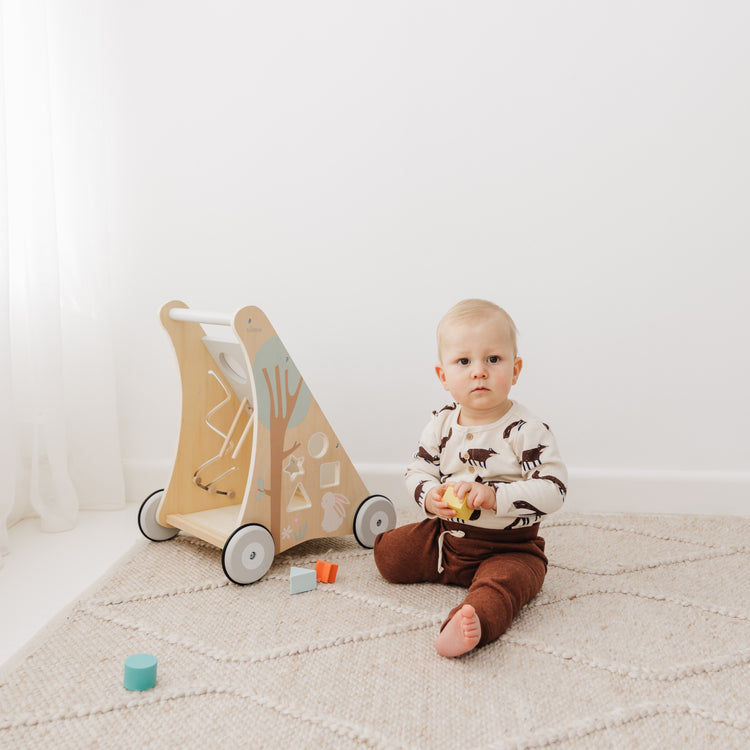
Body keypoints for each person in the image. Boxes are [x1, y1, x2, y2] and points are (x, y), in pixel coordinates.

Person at [373, 299, 567, 657]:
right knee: (388, 554)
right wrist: (430, 496)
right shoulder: (441, 423)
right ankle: (449, 569)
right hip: (447, 537)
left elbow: (553, 489)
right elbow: (418, 469)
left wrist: (495, 497)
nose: (479, 371)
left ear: (516, 369)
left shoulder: (527, 430)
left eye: (493, 359)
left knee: (503, 587)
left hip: (510, 547)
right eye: (464, 361)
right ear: (443, 376)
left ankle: (472, 622)